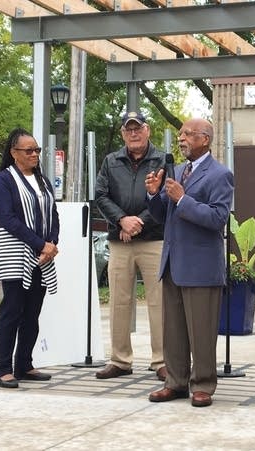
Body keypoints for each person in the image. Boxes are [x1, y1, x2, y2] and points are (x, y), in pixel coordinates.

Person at [145, 118, 233, 408]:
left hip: (201, 267)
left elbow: (218, 218)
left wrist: (183, 200)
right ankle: (176, 382)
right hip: (173, 263)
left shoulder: (220, 174)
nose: (181, 139)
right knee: (173, 331)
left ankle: (203, 384)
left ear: (204, 139)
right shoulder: (178, 171)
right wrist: (154, 194)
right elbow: (162, 216)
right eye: (181, 134)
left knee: (201, 331)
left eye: (187, 134)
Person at [94, 111, 167, 381]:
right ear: (124, 134)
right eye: (128, 130)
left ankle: (161, 360)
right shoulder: (110, 161)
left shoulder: (162, 159)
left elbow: (164, 194)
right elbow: (100, 194)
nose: (133, 134)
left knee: (159, 302)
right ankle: (120, 360)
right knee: (119, 301)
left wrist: (139, 223)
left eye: (138, 128)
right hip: (120, 240)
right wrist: (122, 220)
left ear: (147, 130)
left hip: (154, 239)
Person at [0, 128, 59, 389]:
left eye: (37, 150)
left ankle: (24, 365)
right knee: (12, 311)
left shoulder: (42, 181)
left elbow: (54, 213)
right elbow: (8, 220)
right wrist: (41, 244)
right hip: (16, 256)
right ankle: (4, 369)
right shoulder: (3, 180)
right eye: (28, 150)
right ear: (13, 153)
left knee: (32, 313)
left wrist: (52, 243)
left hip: (42, 257)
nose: (34, 154)